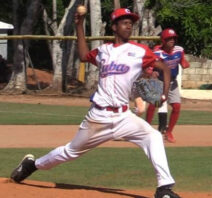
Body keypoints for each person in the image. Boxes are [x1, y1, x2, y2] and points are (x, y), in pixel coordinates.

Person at [10, 8, 181, 198]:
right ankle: (32, 165)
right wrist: (79, 24)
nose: (129, 25)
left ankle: (164, 188)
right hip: (98, 117)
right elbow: (83, 56)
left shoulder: (140, 51)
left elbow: (164, 67)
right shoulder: (103, 51)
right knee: (70, 152)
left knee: (153, 137)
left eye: (131, 22)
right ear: (114, 27)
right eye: (124, 22)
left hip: (124, 116)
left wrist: (164, 94)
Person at [146, 28, 190, 143]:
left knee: (176, 106)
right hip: (159, 82)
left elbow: (182, 61)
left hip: (172, 82)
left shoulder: (179, 50)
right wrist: (151, 72)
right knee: (153, 105)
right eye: (169, 38)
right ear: (163, 40)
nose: (172, 40)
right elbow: (149, 66)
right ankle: (146, 130)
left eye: (173, 38)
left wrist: (185, 63)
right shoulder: (157, 52)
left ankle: (169, 132)